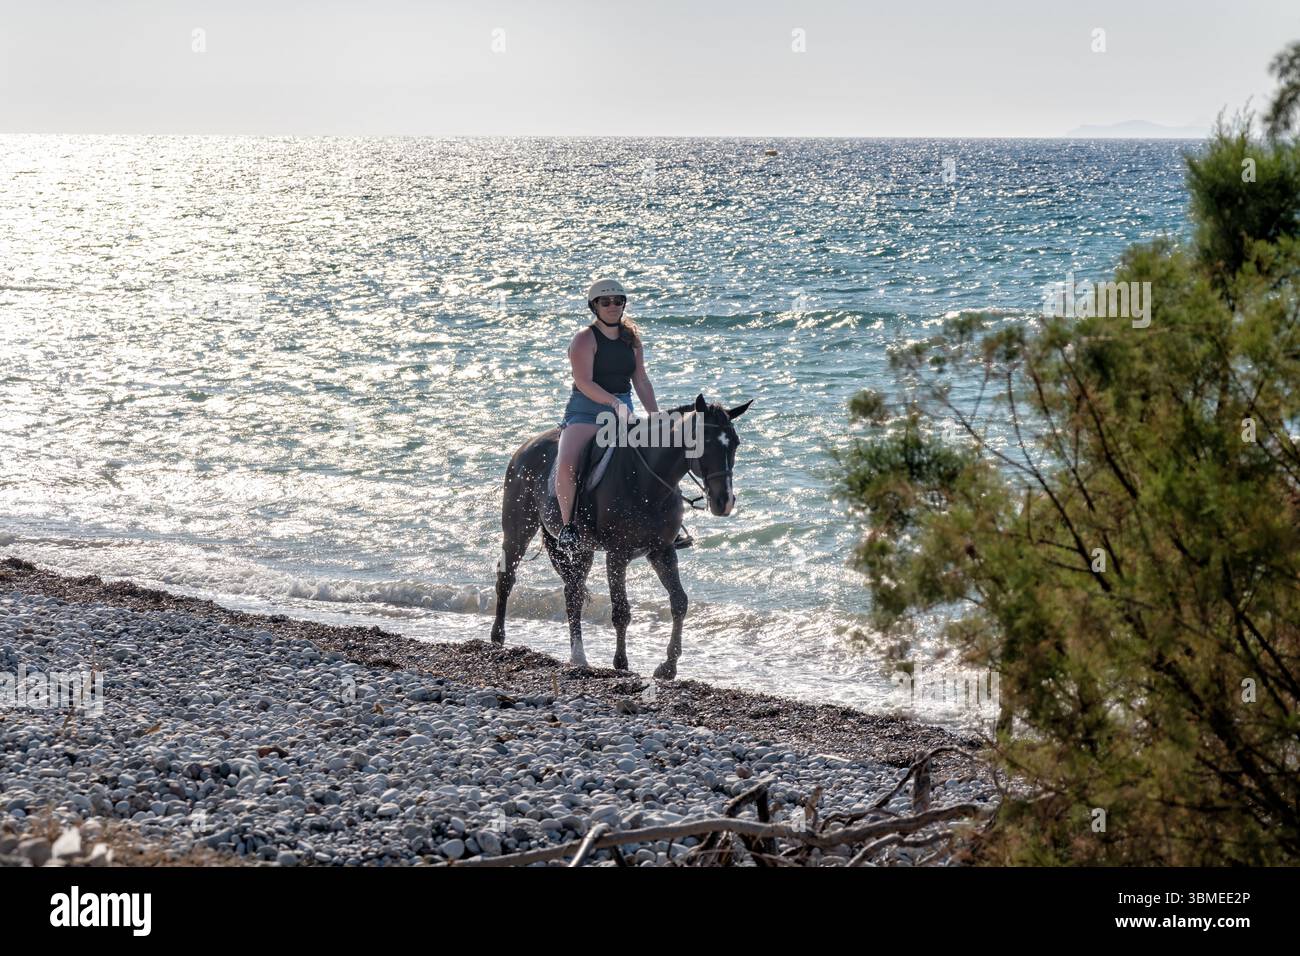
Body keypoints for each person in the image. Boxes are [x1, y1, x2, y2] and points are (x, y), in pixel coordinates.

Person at [554, 278, 692, 554]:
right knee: (567, 464)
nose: (613, 306)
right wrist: (613, 403)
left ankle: (670, 524)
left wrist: (655, 415)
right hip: (586, 412)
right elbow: (584, 382)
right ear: (594, 306)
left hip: (624, 411)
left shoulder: (632, 339)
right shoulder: (584, 339)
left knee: (658, 456)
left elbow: (641, 380)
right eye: (605, 302)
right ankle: (568, 527)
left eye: (618, 301)